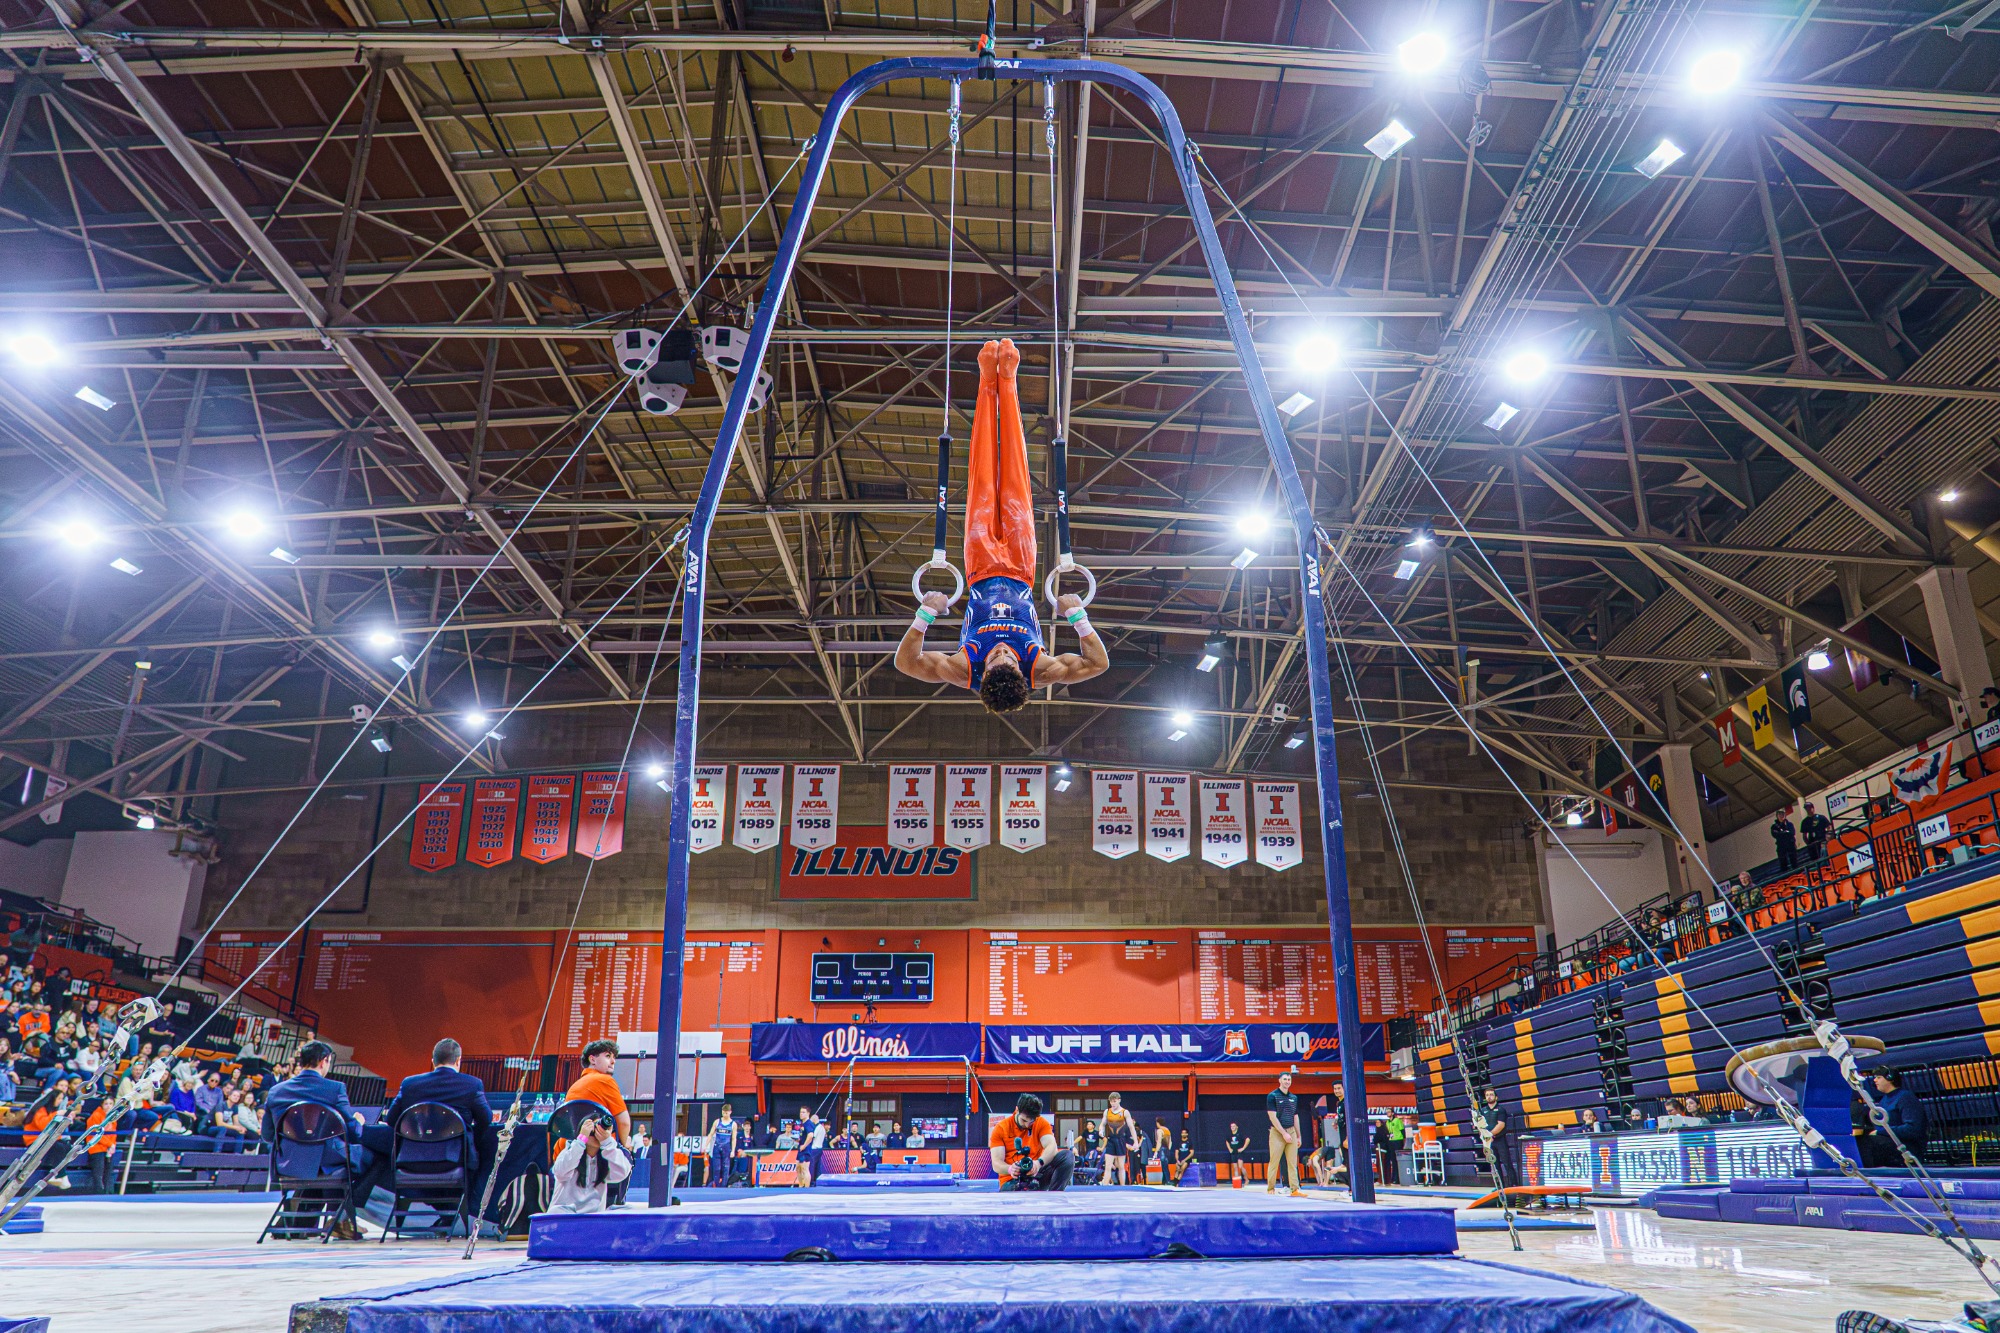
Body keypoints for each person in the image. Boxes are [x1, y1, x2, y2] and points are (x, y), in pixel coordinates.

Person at [894, 339, 1110, 713]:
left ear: (983, 675)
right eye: (1007, 660)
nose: (1000, 653)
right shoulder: (1040, 670)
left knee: (982, 474)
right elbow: (1097, 665)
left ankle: (985, 379)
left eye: (993, 661)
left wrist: (924, 615)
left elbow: (906, 663)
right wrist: (1079, 618)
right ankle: (1007, 379)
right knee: (1014, 475)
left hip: (979, 567)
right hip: (1021, 567)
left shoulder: (963, 669)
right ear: (1021, 673)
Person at [262, 1041, 371, 1238]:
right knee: (367, 1158)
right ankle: (341, 1219)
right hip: (325, 1162)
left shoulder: (276, 1091)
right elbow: (353, 1133)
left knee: (327, 1162)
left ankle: (311, 1222)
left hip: (288, 1164)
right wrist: (358, 1121)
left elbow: (268, 1135)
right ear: (324, 1061)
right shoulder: (335, 1088)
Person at [367, 1037, 499, 1200]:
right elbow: (486, 1119)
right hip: (455, 1159)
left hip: (410, 1160)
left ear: (433, 1061)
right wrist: (469, 1133)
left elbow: (391, 1119)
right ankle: (459, 1211)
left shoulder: (409, 1084)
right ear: (458, 1061)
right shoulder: (472, 1084)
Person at [548, 1113, 630, 1214]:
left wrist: (607, 1142)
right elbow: (560, 1172)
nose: (596, 1131)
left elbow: (622, 1173)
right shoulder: (570, 1149)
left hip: (592, 1220)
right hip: (564, 1218)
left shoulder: (606, 1159)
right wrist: (581, 1140)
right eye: (593, 1128)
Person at [990, 1093, 1072, 1192]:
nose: (1027, 1125)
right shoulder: (1001, 1128)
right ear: (1017, 1110)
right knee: (1019, 1189)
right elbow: (996, 1163)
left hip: (1036, 1174)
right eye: (1024, 1120)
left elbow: (1052, 1146)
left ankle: (1055, 1194)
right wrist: (1010, 1169)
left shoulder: (1041, 1123)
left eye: (1031, 1122)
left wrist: (1038, 1163)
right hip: (1012, 1179)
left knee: (1067, 1156)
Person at [563, 1039, 630, 1146]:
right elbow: (624, 1123)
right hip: (599, 1153)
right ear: (592, 1060)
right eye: (608, 1056)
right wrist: (625, 1148)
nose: (613, 1061)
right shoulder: (606, 1080)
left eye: (614, 1057)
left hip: (569, 1150)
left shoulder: (573, 1086)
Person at [1863, 1068, 1928, 1166]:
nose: (1875, 1080)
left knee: (1868, 1144)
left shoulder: (1905, 1097)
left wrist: (1880, 1132)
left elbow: (1912, 1129)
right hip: (1890, 1144)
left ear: (1890, 1078)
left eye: (1879, 1077)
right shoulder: (1884, 1100)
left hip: (1906, 1147)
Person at [1266, 1071, 1304, 1196]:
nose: (1287, 1081)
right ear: (1280, 1081)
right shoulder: (1272, 1096)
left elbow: (1296, 1117)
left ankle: (1295, 1189)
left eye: (1289, 1079)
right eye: (1285, 1079)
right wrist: (1283, 1133)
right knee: (1274, 1161)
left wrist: (1298, 1136)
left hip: (1291, 1131)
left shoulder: (1294, 1098)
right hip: (1277, 1132)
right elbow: (1272, 1117)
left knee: (1292, 1162)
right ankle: (1270, 1188)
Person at [1479, 1087, 1518, 1189]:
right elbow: (1481, 1126)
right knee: (1495, 1165)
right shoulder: (1483, 1111)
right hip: (1489, 1142)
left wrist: (1490, 1135)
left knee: (1507, 1163)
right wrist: (1485, 1137)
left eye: (1491, 1094)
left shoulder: (1501, 1110)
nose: (1489, 1097)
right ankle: (1500, 1186)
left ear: (1496, 1097)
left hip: (1500, 1140)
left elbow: (1501, 1125)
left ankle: (1513, 1185)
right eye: (1487, 1095)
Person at [1100, 1092, 1138, 1185]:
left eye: (1115, 1101)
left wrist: (1136, 1142)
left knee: (1121, 1166)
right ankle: (1104, 1188)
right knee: (1108, 1166)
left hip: (1121, 1140)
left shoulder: (1125, 1112)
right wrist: (1101, 1130)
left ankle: (1123, 1187)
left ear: (1119, 1100)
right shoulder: (1107, 1111)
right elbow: (1102, 1124)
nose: (1113, 1104)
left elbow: (1131, 1127)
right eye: (1111, 1102)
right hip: (1111, 1140)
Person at [707, 1105, 738, 1186]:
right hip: (717, 1147)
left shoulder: (733, 1124)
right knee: (716, 1168)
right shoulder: (717, 1122)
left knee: (725, 1168)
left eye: (726, 1113)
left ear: (730, 1112)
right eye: (723, 1113)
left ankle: (723, 1186)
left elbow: (734, 1138)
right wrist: (705, 1145)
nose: (724, 1114)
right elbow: (710, 1134)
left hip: (726, 1147)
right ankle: (716, 1185)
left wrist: (733, 1151)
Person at [1800, 801, 1831, 866]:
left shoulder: (1821, 817)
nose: (1808, 810)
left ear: (1813, 808)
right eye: (1807, 808)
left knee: (1826, 857)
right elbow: (1804, 835)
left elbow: (1829, 827)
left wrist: (1827, 838)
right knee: (1816, 861)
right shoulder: (1805, 822)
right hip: (1813, 844)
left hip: (1823, 841)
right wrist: (1809, 844)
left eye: (1810, 808)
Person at [1770, 806, 1798, 872]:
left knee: (1794, 861)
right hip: (1781, 847)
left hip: (1791, 845)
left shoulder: (1790, 824)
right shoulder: (1774, 827)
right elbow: (1775, 835)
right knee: (1783, 863)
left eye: (1782, 814)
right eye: (1779, 814)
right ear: (1777, 816)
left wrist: (1782, 833)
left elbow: (1792, 833)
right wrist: (1785, 833)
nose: (1781, 816)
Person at [1223, 1121, 1250, 1186]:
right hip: (1233, 1152)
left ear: (1237, 1127)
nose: (1232, 1127)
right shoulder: (1229, 1135)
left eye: (1234, 1126)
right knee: (1235, 1168)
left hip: (1239, 1152)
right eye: (1231, 1126)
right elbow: (1227, 1141)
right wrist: (1230, 1149)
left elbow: (1248, 1139)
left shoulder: (1240, 1134)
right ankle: (1237, 1182)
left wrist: (1243, 1148)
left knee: (1240, 1166)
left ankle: (1246, 1179)